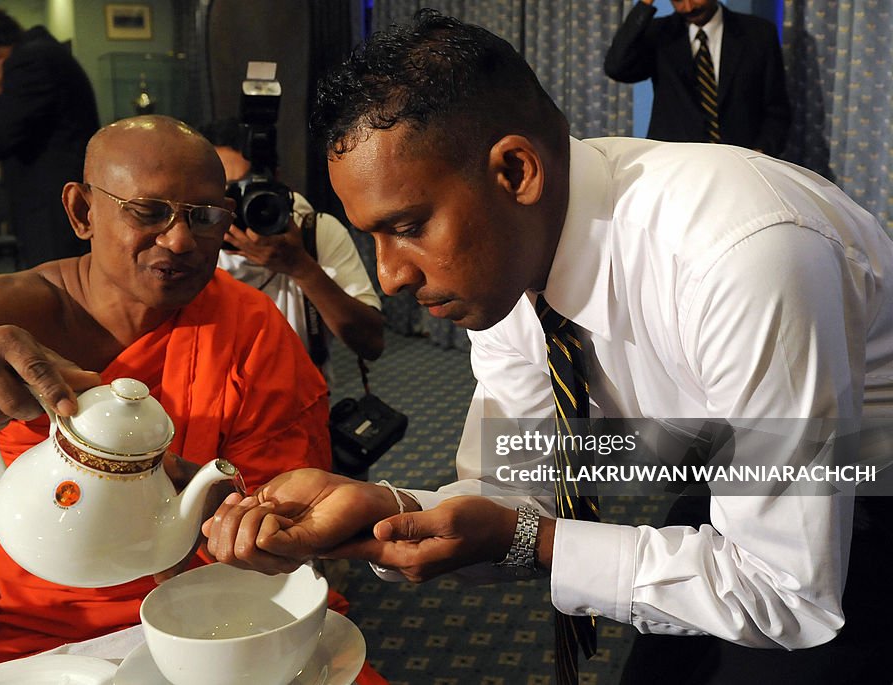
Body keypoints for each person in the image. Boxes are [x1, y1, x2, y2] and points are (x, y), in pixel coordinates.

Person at [204, 10, 893, 685]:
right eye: (374, 237)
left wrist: (529, 539)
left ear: (515, 171)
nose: (390, 275)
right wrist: (383, 505)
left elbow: (788, 590)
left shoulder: (743, 256)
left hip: (866, 494)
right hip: (727, 463)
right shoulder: (508, 259)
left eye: (409, 226)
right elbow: (513, 494)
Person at [0, 115, 338, 667]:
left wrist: (227, 510)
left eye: (205, 217)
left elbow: (289, 505)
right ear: (83, 211)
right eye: (148, 212)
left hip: (224, 610)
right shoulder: (5, 310)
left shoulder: (248, 325)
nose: (180, 240)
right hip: (47, 626)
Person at [205, 118, 384, 383]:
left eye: (244, 189)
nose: (233, 205)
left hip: (301, 404)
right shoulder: (189, 240)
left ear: (273, 182)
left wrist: (300, 267)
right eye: (220, 192)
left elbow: (371, 343)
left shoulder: (313, 231)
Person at [0, 2, 98, 267]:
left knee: (57, 290)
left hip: (51, 208)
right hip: (54, 203)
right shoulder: (41, 52)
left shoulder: (29, 59)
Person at [604, 0, 791, 157]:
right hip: (675, 163)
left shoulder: (758, 33)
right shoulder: (660, 34)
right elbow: (617, 67)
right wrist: (644, 4)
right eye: (677, 0)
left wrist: (760, 153)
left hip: (740, 163)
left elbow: (776, 108)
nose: (688, 7)